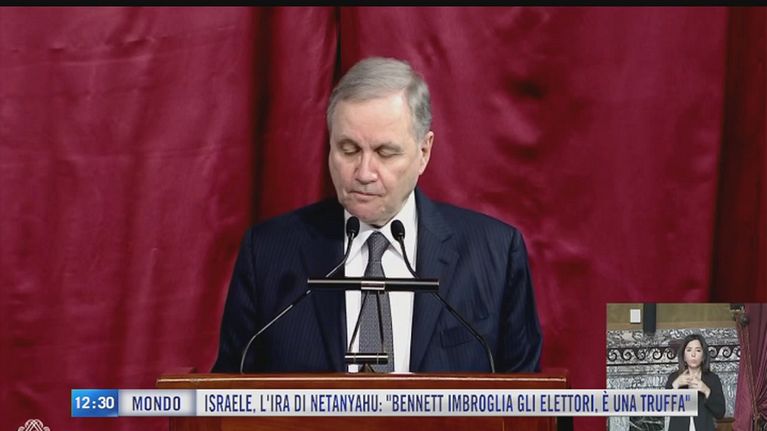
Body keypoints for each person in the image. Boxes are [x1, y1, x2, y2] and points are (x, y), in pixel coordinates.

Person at [211, 56, 542, 373]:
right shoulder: (268, 254)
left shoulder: (495, 254)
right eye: (349, 150)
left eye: (385, 152)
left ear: (423, 152)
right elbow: (228, 395)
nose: (364, 172)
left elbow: (526, 398)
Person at [665, 333, 725, 431]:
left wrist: (706, 391)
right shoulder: (674, 378)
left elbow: (720, 413)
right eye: (689, 350)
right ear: (684, 356)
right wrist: (675, 385)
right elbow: (664, 409)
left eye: (698, 350)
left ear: (703, 356)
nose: (693, 354)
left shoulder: (712, 379)